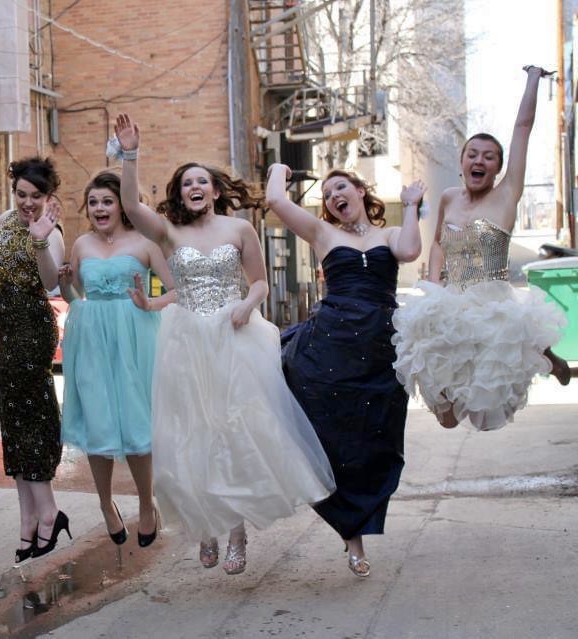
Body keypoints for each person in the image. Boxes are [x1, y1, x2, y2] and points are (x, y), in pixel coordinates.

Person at [114, 113, 335, 575]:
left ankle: (236, 531)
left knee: (235, 434)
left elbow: (259, 283)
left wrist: (246, 305)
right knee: (190, 436)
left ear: (214, 190)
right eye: (187, 183)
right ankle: (204, 527)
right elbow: (132, 207)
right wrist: (130, 155)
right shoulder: (169, 232)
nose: (194, 187)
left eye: (202, 181)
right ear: (181, 194)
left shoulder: (239, 229)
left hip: (234, 338)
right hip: (187, 341)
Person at [266, 163, 425, 577]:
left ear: (359, 190)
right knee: (332, 441)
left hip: (379, 350)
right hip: (331, 347)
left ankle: (360, 523)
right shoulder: (323, 234)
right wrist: (279, 168)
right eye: (329, 195)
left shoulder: (388, 234)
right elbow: (275, 200)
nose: (336, 197)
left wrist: (411, 205)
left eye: (341, 187)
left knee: (375, 442)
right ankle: (351, 539)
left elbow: (409, 251)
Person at [393, 65, 570, 431]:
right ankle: (540, 355)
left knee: (489, 397)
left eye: (489, 156)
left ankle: (549, 359)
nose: (479, 160)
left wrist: (533, 78)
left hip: (492, 298)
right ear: (461, 163)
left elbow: (522, 129)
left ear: (499, 168)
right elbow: (439, 243)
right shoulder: (448, 198)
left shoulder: (506, 196)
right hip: (454, 296)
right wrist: (432, 287)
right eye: (472, 153)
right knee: (445, 416)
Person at [42, 169, 175, 548]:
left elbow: (177, 290)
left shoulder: (145, 242)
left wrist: (150, 303)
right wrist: (67, 280)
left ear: (122, 206)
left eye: (107, 201)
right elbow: (73, 295)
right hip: (92, 335)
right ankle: (105, 505)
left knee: (136, 424)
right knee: (99, 422)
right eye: (94, 202)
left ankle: (147, 504)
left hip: (135, 335)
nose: (100, 208)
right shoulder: (82, 243)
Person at [0, 152, 70, 562]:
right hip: (4, 334)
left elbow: (49, 282)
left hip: (31, 332)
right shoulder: (9, 217)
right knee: (12, 420)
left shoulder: (51, 231)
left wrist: (41, 237)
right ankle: (28, 521)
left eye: (35, 195)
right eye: (22, 194)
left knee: (31, 422)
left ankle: (49, 513)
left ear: (48, 196)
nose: (27, 202)